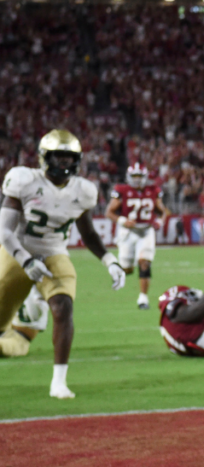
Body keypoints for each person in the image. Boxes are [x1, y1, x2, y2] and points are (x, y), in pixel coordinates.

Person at [0, 130, 126, 398]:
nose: (64, 164)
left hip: (55, 252)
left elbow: (89, 233)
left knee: (62, 306)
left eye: (70, 158)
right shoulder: (23, 180)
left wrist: (110, 261)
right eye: (59, 157)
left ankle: (58, 381)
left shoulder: (83, 191)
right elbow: (5, 232)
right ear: (45, 157)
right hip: (17, 250)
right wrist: (25, 260)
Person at [105, 162, 171, 309]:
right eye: (134, 176)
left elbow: (163, 211)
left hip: (146, 231)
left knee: (144, 262)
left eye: (139, 176)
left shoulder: (153, 190)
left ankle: (143, 299)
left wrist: (160, 221)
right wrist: (122, 220)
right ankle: (119, 269)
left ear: (145, 177)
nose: (136, 179)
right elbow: (109, 212)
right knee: (127, 269)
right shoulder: (121, 190)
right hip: (127, 232)